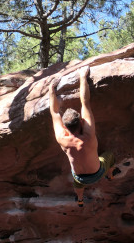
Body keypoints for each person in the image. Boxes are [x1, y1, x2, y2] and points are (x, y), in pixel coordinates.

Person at [49, 65, 115, 207]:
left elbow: (54, 112)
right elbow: (85, 102)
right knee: (109, 156)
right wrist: (82, 77)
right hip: (98, 172)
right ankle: (110, 174)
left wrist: (51, 90)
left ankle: (80, 200)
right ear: (81, 122)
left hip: (80, 178)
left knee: (78, 185)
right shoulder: (89, 134)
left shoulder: (62, 138)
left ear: (65, 127)